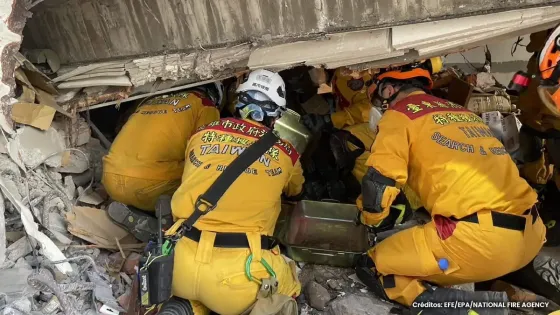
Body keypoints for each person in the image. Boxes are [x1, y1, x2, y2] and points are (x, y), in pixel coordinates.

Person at [354, 65, 546, 314]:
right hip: (530, 235)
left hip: (477, 246)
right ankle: (510, 288)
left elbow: (379, 184)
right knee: (448, 253)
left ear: (388, 89)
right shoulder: (463, 113)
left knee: (372, 265)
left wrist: (370, 220)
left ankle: (477, 309)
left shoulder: (399, 115)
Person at [161, 69, 304, 315]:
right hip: (239, 275)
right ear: (276, 114)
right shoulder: (287, 153)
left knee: (198, 291)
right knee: (289, 290)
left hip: (177, 264)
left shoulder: (201, 134)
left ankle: (191, 307)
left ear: (237, 101)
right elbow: (296, 191)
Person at [103, 84, 222, 241]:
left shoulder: (148, 101)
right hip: (152, 187)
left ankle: (143, 214)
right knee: (207, 176)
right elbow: (206, 153)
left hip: (110, 180)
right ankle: (167, 225)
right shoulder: (205, 105)